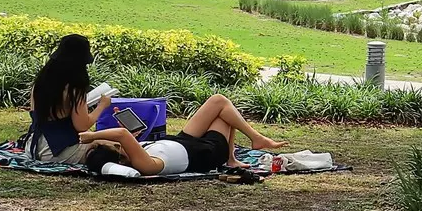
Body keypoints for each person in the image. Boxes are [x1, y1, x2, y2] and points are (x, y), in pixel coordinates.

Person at [80, 92, 287, 178]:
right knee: (224, 113)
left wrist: (136, 136)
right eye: (116, 145)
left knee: (217, 101)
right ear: (119, 158)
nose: (119, 144)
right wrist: (90, 136)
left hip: (183, 140)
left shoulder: (134, 151)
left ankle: (240, 152)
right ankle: (234, 154)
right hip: (207, 151)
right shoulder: (144, 165)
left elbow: (125, 136)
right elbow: (122, 134)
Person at [22, 34, 106, 164]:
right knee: (112, 144)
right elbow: (82, 126)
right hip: (58, 151)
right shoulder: (74, 88)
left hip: (32, 147)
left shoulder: (40, 83)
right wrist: (102, 106)